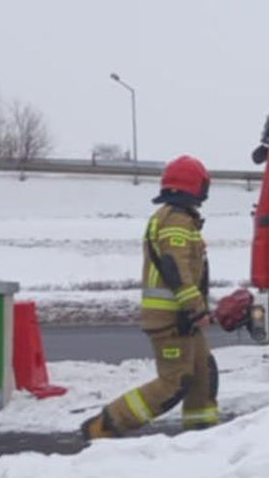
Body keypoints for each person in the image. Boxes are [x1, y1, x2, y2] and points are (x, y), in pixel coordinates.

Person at [81, 155, 220, 440]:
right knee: (174, 383)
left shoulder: (178, 218)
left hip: (182, 316)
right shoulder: (177, 220)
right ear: (194, 186)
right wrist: (196, 308)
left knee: (203, 374)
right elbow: (175, 266)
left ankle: (202, 436)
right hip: (173, 318)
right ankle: (105, 425)